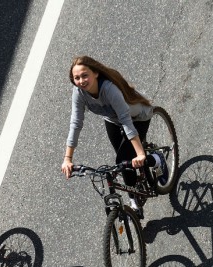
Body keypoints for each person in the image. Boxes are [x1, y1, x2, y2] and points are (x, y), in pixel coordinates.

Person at [61, 55, 168, 215]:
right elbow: (76, 123)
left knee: (124, 160)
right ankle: (134, 199)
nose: (81, 81)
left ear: (95, 73)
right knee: (123, 163)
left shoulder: (109, 89)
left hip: (136, 118)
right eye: (77, 78)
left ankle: (157, 159)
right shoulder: (79, 92)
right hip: (112, 119)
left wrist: (140, 154)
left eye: (85, 75)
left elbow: (126, 121)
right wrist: (68, 159)